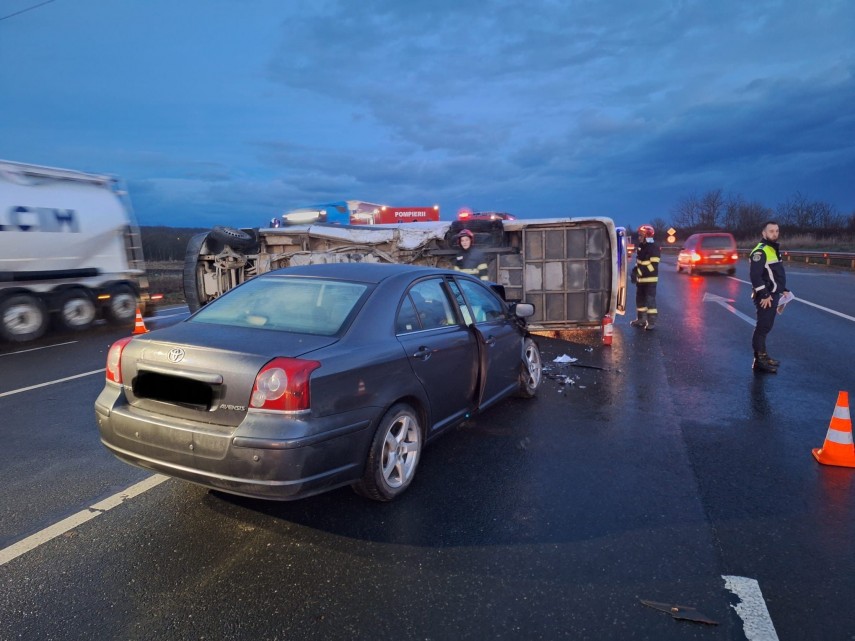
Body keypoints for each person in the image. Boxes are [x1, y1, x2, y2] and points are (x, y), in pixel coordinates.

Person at [749, 220, 789, 374]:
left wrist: (783, 289)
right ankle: (759, 361)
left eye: (777, 231)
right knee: (762, 327)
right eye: (771, 231)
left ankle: (764, 356)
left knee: (766, 327)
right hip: (765, 296)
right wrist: (764, 294)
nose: (775, 234)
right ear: (763, 233)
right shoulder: (760, 251)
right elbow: (755, 276)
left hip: (773, 293)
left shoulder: (773, 249)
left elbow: (773, 274)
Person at [630, 224, 660, 330]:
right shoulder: (641, 246)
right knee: (640, 300)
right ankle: (641, 319)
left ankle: (651, 322)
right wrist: (634, 272)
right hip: (641, 280)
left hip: (650, 280)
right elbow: (639, 262)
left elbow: (653, 266)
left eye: (641, 235)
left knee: (650, 300)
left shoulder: (653, 247)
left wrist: (639, 272)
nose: (639, 237)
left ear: (647, 235)